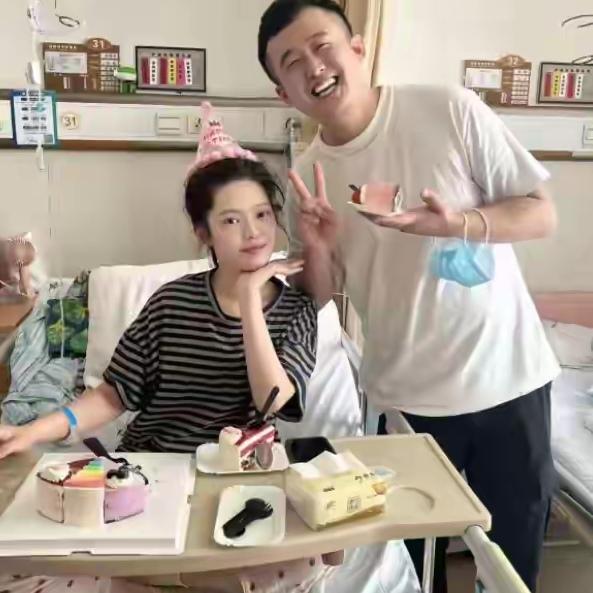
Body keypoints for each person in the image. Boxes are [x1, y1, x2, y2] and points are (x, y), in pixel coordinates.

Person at [257, 1, 560, 592]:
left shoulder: (448, 109)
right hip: (406, 398)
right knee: (417, 565)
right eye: (291, 62)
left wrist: (461, 223)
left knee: (512, 560)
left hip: (508, 378)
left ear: (358, 49)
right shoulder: (310, 177)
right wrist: (318, 246)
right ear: (282, 93)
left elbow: (540, 213)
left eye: (322, 46)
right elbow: (323, 293)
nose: (313, 67)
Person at [0, 104, 326, 593]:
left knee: (307, 561)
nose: (254, 232)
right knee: (19, 565)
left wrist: (250, 301)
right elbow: (112, 395)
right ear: (204, 233)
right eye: (231, 220)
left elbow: (272, 401)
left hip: (239, 478)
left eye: (262, 215)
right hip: (151, 470)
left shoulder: (296, 309)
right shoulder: (172, 302)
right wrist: (32, 432)